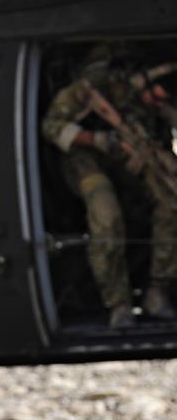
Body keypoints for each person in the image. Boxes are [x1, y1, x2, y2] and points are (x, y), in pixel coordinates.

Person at [42, 48, 177, 328]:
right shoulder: (95, 87)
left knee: (170, 203)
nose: (159, 101)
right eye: (158, 94)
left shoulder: (154, 105)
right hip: (84, 159)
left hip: (126, 158)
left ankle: (157, 291)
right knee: (106, 212)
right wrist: (96, 139)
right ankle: (118, 303)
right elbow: (52, 127)